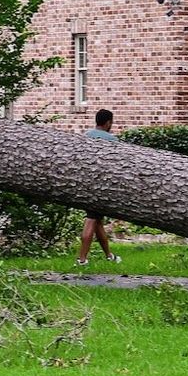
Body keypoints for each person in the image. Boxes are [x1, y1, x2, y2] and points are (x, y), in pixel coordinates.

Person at [76, 107, 120, 266]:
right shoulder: (113, 141)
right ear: (108, 122)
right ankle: (81, 259)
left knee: (97, 221)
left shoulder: (86, 136)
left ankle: (109, 255)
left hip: (86, 182)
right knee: (91, 219)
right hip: (102, 185)